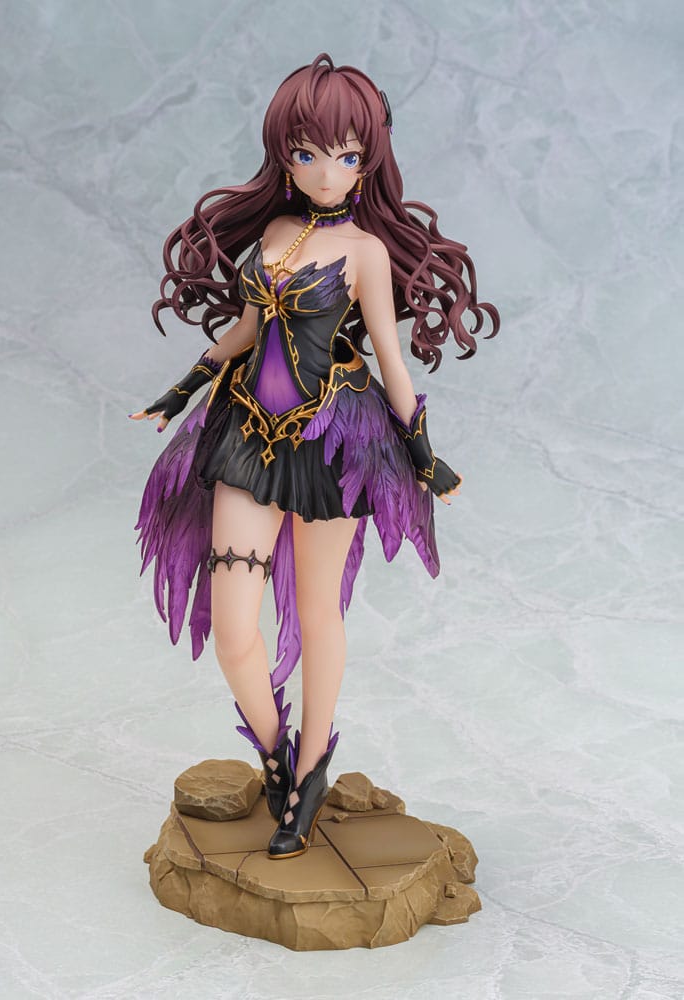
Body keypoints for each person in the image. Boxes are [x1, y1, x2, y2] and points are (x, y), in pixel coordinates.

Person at [129, 54, 499, 860]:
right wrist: (179, 392)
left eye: (346, 155)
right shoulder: (271, 233)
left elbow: (392, 359)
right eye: (307, 152)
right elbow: (245, 332)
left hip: (335, 442)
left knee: (319, 611)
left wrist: (426, 457)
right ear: (284, 155)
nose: (327, 172)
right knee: (235, 631)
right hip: (247, 437)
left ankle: (312, 771)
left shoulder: (366, 252)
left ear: (368, 161)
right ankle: (276, 754)